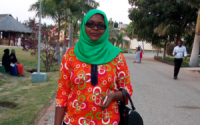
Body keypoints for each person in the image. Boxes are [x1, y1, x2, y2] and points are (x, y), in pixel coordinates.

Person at [54, 9, 133, 125]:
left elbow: (127, 89)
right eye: (90, 24)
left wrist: (113, 96)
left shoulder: (116, 56)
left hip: (108, 121)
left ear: (106, 29)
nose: (95, 28)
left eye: (101, 25)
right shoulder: (70, 55)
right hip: (73, 121)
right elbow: (62, 94)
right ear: (84, 26)